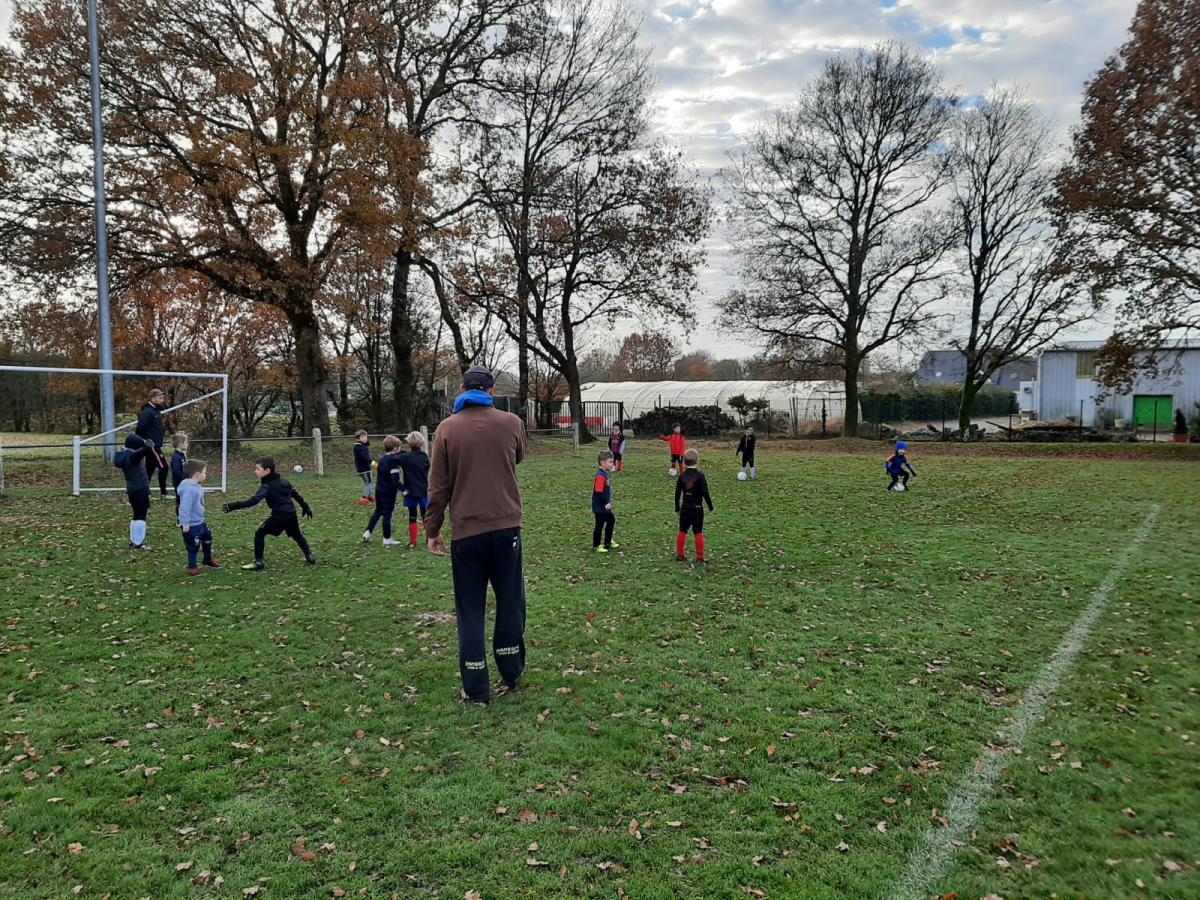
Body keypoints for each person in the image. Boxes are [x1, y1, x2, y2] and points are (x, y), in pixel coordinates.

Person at [426, 365, 527, 705]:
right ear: (492, 390)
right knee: (510, 599)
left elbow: (437, 486)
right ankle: (511, 668)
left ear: (461, 387)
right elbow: (518, 456)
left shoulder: (446, 429)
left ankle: (475, 687)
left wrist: (432, 530)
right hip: (506, 527)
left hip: (467, 532)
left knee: (470, 610)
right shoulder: (511, 423)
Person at [222, 457, 315, 570]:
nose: (255, 471)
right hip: (291, 515)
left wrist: (233, 506)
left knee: (259, 534)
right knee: (297, 535)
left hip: (278, 517)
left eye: (257, 469)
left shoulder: (267, 486)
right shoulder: (284, 481)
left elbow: (254, 501)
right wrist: (306, 507)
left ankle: (259, 562)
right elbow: (295, 495)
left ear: (267, 471)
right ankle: (309, 556)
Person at [177, 459, 221, 575]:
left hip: (200, 521)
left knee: (207, 537)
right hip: (191, 524)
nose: (206, 475)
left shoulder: (195, 485)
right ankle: (192, 566)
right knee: (193, 545)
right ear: (197, 475)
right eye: (205, 472)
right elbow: (184, 508)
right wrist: (185, 523)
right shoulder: (189, 490)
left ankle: (207, 559)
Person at [113, 434, 154, 550]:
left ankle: (134, 540)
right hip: (140, 489)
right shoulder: (132, 458)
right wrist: (148, 443)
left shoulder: (124, 456)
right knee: (141, 515)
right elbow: (145, 450)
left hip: (132, 489)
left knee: (136, 515)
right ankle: (138, 543)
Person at [362, 435, 403, 547]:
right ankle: (387, 538)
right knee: (387, 515)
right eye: (399, 447)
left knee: (378, 511)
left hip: (379, 490)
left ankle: (368, 532)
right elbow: (395, 480)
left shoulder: (383, 459)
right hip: (388, 492)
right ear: (395, 448)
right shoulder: (393, 462)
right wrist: (404, 489)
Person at [674, 448, 713, 562]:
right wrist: (710, 507)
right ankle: (700, 556)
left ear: (684, 462)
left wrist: (677, 508)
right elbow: (705, 492)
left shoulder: (682, 476)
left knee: (682, 530)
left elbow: (677, 493)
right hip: (697, 508)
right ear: (697, 461)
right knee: (698, 532)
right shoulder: (700, 476)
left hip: (685, 508)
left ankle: (680, 554)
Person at [397, 431, 431, 549]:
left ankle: (413, 541)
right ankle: (429, 539)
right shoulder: (424, 456)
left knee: (412, 515)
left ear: (409, 442)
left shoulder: (405, 457)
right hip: (422, 489)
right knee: (425, 514)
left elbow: (396, 460)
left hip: (410, 490)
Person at [135, 388, 170, 500]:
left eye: (163, 398)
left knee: (149, 470)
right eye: (160, 398)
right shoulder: (148, 412)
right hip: (152, 445)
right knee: (164, 467)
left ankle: (145, 493)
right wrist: (146, 441)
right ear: (153, 398)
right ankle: (164, 493)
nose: (162, 400)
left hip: (155, 444)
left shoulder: (156, 411)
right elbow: (140, 428)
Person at [591, 449, 619, 553]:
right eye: (610, 462)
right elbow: (598, 491)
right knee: (600, 524)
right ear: (603, 463)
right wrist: (606, 503)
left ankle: (608, 541)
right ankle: (597, 545)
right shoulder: (600, 476)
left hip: (603, 506)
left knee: (611, 520)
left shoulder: (604, 473)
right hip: (599, 507)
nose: (612, 464)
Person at [353, 430, 375, 505]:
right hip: (363, 469)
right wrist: (374, 464)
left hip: (366, 468)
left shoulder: (362, 446)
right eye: (362, 437)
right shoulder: (359, 447)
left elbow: (367, 445)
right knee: (369, 484)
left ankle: (369, 497)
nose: (365, 438)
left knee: (370, 483)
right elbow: (365, 458)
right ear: (357, 439)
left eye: (366, 436)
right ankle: (364, 498)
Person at [170, 433, 189, 511]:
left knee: (185, 501)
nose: (187, 444)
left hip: (184, 482)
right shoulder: (176, 457)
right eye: (186, 442)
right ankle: (179, 519)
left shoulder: (182, 455)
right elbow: (176, 470)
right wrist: (183, 480)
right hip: (179, 483)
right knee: (180, 501)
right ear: (180, 444)